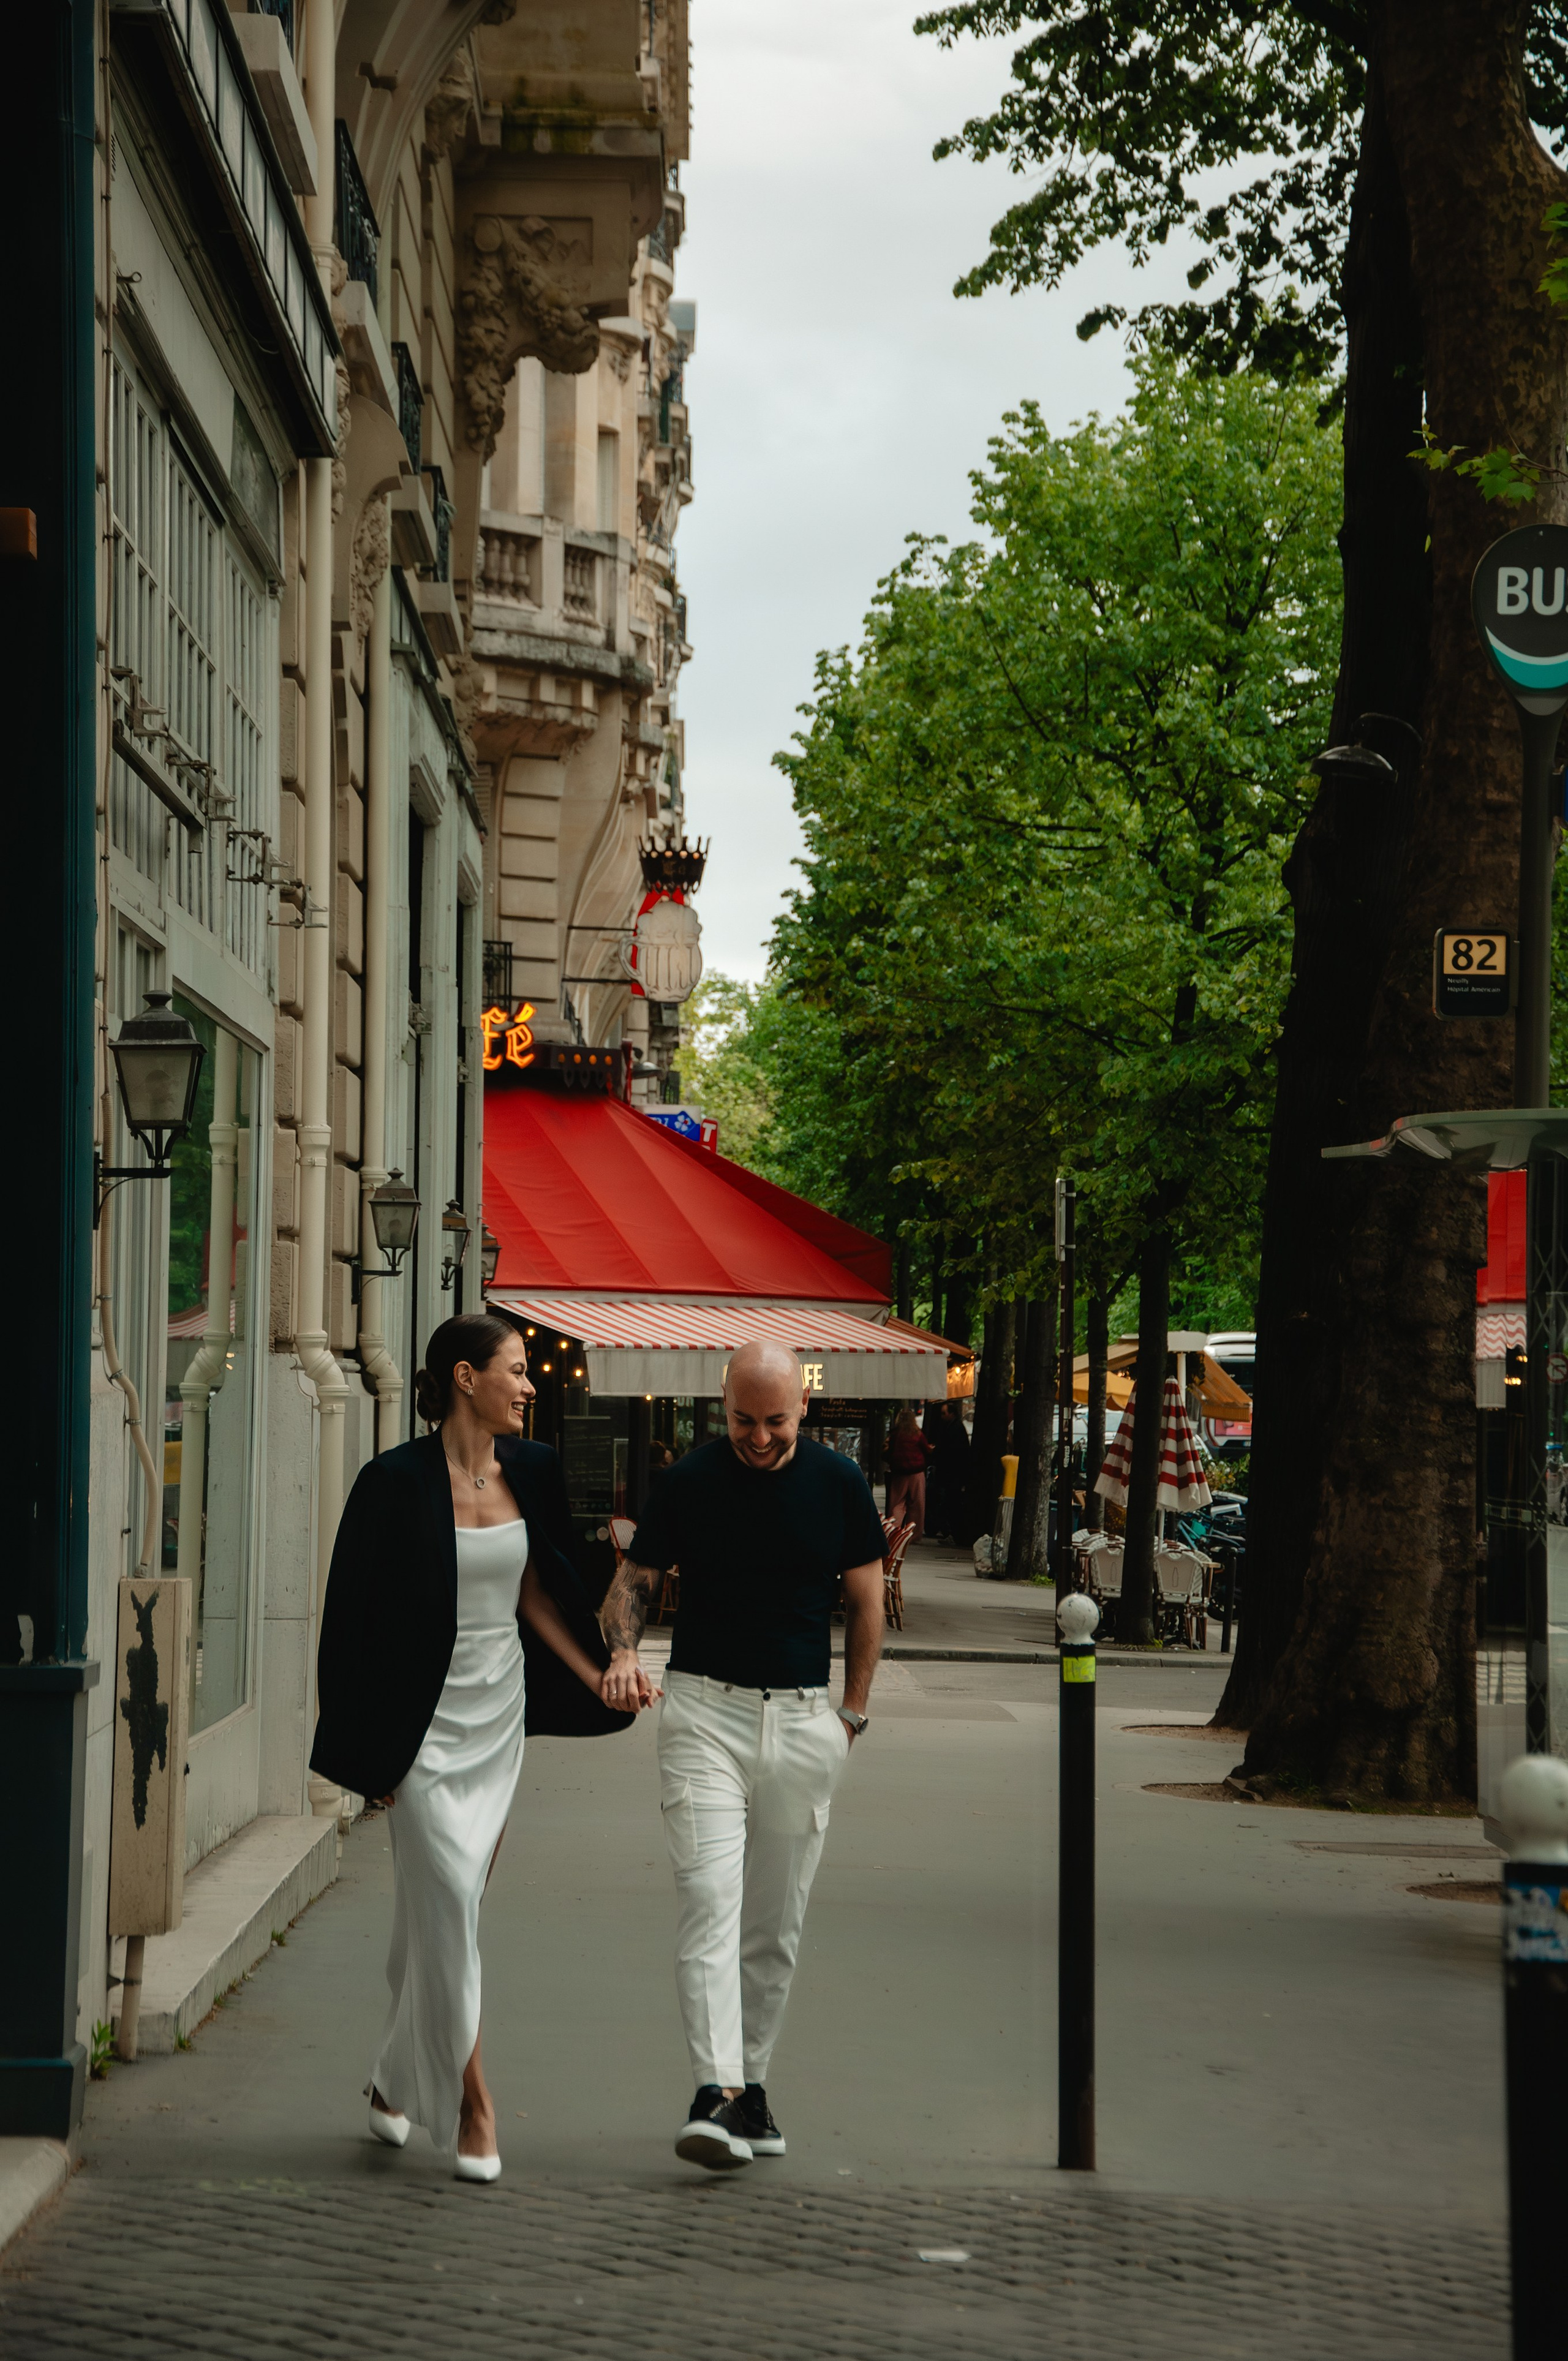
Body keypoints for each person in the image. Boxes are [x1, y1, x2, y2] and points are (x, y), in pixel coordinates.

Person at [311, 1312, 649, 2182]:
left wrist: (605, 1667)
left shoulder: (532, 1470)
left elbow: (545, 1591)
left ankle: (392, 2078)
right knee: (450, 1901)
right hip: (416, 1728)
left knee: (443, 1914)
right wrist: (364, 1758)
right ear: (465, 1377)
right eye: (517, 1368)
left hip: (497, 1718)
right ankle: (473, 2102)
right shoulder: (389, 1482)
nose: (531, 1383)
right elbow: (348, 1622)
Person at [598, 1339, 888, 2170]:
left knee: (774, 1924)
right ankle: (715, 2089)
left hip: (804, 1721)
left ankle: (752, 2090)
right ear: (722, 1402)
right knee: (708, 1897)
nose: (758, 1436)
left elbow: (867, 1601)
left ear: (804, 1406)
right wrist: (623, 1652)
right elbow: (634, 1581)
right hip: (702, 1713)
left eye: (775, 1421)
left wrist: (853, 1716)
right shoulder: (689, 1480)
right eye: (742, 1419)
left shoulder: (837, 1483)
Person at [926, 1400, 972, 1541]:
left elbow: (952, 1451)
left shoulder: (955, 1428)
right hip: (952, 1474)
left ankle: (953, 1532)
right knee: (950, 1503)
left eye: (944, 1413)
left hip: (952, 1474)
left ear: (951, 1414)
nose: (942, 1416)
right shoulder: (954, 1427)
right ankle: (952, 1531)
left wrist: (937, 1451)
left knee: (951, 1503)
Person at [885, 1406, 932, 1541]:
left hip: (899, 1473)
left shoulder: (896, 1434)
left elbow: (890, 1451)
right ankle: (914, 1535)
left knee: (897, 1504)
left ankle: (894, 1532)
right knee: (917, 1505)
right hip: (917, 1473)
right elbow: (926, 1450)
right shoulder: (918, 1433)